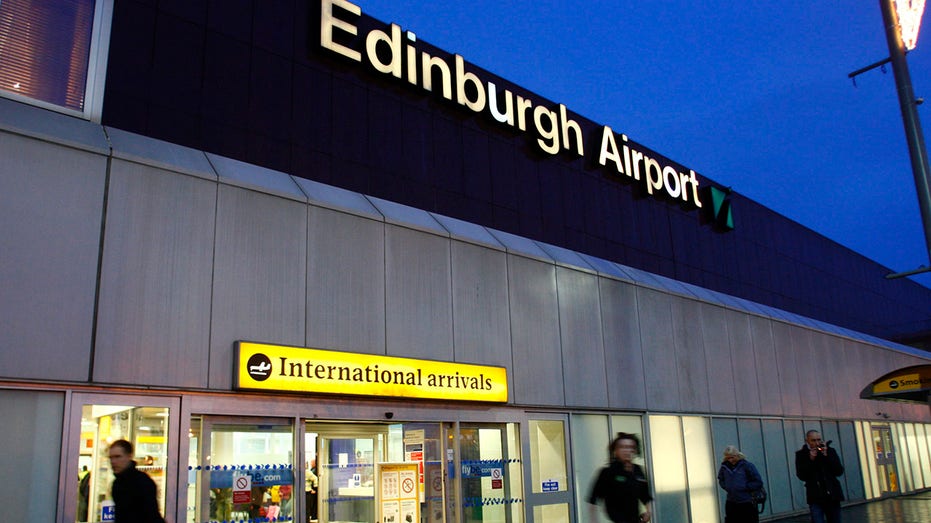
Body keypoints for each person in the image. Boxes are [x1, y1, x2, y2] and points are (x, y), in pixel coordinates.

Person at [588, 432, 653, 523]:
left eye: (631, 447)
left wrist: (649, 512)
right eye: (623, 447)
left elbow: (645, 496)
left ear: (635, 450)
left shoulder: (638, 470)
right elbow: (593, 501)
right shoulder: (607, 472)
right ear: (615, 450)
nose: (627, 450)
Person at [108, 439, 165, 523]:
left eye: (118, 457)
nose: (113, 462)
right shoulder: (117, 483)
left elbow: (151, 515)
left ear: (129, 456)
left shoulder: (142, 482)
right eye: (111, 458)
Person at [795, 430, 845, 523]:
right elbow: (801, 475)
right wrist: (810, 460)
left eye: (819, 440)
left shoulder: (830, 451)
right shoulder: (801, 454)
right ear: (807, 441)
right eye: (813, 440)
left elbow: (839, 471)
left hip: (832, 495)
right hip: (815, 496)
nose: (817, 443)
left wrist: (826, 455)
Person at [717, 445, 764, 523]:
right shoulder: (724, 467)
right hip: (731, 502)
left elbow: (758, 482)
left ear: (737, 455)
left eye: (732, 457)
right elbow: (721, 479)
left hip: (747, 502)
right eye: (728, 458)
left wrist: (745, 487)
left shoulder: (747, 466)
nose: (730, 460)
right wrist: (727, 487)